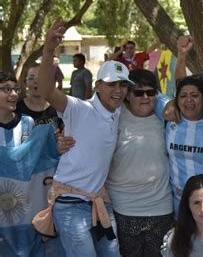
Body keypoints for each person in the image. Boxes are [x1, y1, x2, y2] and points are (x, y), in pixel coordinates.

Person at [38, 18, 134, 256]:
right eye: (112, 84)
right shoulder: (79, 108)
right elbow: (47, 91)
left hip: (99, 201)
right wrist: (48, 50)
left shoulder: (119, 111)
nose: (118, 90)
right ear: (98, 86)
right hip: (70, 204)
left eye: (123, 85)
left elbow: (150, 99)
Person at [105, 69, 173, 256]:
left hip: (161, 209)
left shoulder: (167, 120)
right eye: (138, 92)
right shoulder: (113, 119)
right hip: (123, 209)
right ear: (127, 95)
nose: (145, 97)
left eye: (150, 92)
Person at [0, 70, 60, 256]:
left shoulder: (27, 124)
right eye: (6, 89)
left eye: (15, 89)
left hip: (29, 213)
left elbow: (39, 166)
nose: (14, 94)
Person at [164, 76, 203, 214]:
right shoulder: (170, 120)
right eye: (183, 96)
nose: (188, 100)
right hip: (180, 201)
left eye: (194, 95)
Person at [16, 63, 63, 129]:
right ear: (25, 83)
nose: (36, 81)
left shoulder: (59, 109)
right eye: (31, 78)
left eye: (41, 77)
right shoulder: (16, 109)